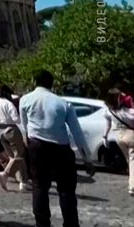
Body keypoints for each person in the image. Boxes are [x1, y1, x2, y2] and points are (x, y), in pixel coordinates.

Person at [19, 70, 96, 227]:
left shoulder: (25, 100)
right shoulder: (63, 103)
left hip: (37, 147)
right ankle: (71, 224)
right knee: (66, 189)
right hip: (61, 149)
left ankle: (42, 224)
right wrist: (87, 159)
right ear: (52, 84)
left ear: (35, 82)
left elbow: (25, 126)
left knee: (39, 187)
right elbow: (77, 132)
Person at [0, 85, 29, 192]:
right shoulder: (7, 103)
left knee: (12, 157)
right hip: (11, 129)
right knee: (19, 155)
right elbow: (16, 119)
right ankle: (5, 174)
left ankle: (22, 181)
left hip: (0, 130)